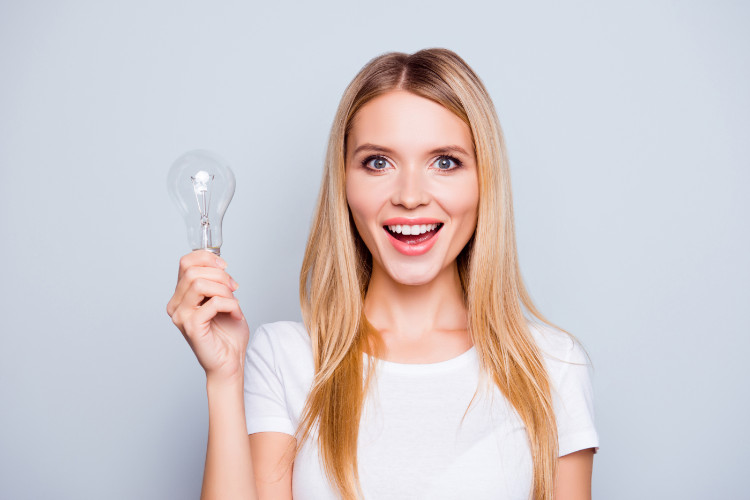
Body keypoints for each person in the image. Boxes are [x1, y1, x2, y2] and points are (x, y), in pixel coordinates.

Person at [166, 48, 599, 500]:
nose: (410, 196)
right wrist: (223, 377)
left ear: (484, 180)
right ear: (345, 184)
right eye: (378, 162)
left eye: (445, 162)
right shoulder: (286, 359)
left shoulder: (551, 366)